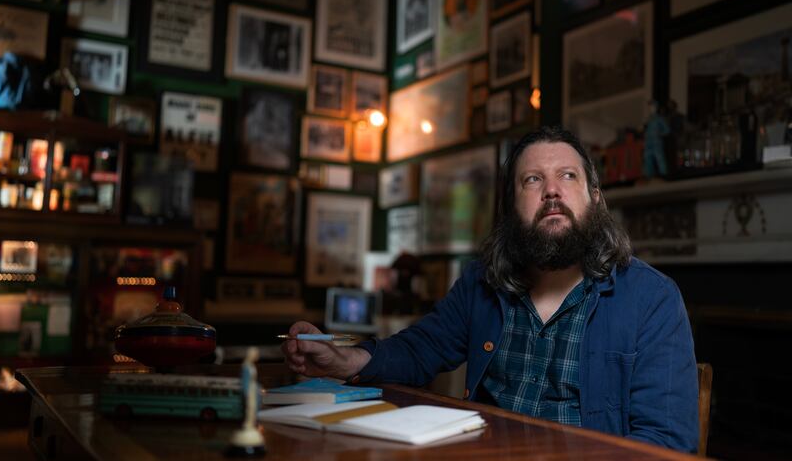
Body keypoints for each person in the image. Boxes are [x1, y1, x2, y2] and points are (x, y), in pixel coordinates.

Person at [282, 126, 698, 453]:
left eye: (567, 176)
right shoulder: (481, 282)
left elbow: (664, 443)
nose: (551, 190)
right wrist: (344, 359)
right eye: (532, 180)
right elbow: (420, 349)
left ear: (596, 200)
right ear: (511, 208)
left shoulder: (652, 299)